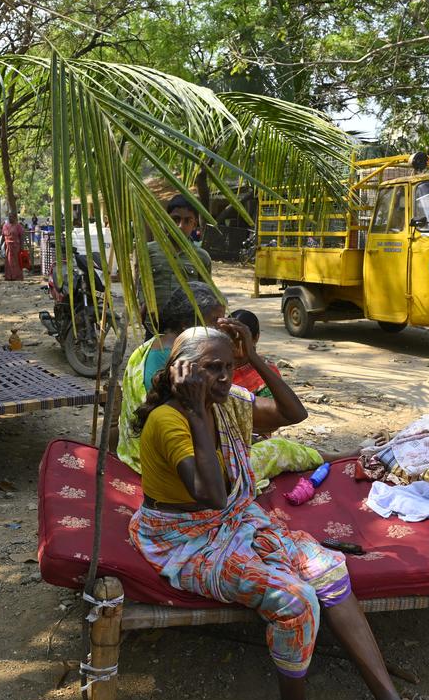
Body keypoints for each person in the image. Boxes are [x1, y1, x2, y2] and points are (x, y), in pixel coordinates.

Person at [131, 327, 429, 700]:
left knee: (327, 569)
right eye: (211, 368)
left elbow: (293, 414)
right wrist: (197, 414)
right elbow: (211, 495)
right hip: (186, 540)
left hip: (235, 521)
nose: (223, 377)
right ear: (183, 372)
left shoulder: (227, 403)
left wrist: (253, 358)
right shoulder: (171, 421)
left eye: (228, 367)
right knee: (295, 600)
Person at [116, 284, 321, 484]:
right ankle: (338, 459)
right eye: (216, 321)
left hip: (137, 459)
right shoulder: (190, 370)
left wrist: (249, 356)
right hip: (172, 470)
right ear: (187, 327)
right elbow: (289, 414)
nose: (223, 328)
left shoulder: (146, 350)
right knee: (280, 449)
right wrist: (252, 356)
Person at [142, 195, 212, 323]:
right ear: (165, 220)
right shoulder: (148, 251)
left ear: (194, 224)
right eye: (175, 219)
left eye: (187, 221)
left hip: (188, 327)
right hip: (154, 325)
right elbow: (141, 284)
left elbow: (205, 294)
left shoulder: (202, 257)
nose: (180, 226)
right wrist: (143, 305)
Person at [228, 309, 282, 397]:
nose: (235, 343)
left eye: (240, 338)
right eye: (231, 337)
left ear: (255, 338)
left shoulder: (267, 375)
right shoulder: (218, 368)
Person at [2, 213, 26, 281]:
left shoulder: (18, 226)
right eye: (9, 217)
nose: (10, 218)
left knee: (16, 262)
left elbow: (21, 237)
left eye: (11, 217)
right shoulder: (5, 226)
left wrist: (22, 247)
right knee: (8, 261)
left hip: (16, 246)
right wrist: (1, 245)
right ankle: (9, 276)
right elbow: (3, 236)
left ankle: (17, 276)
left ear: (15, 218)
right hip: (7, 246)